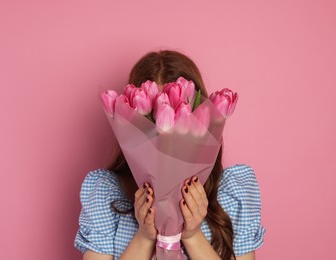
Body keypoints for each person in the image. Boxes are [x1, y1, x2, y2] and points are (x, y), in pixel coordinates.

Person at [74, 50, 266, 260]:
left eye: (180, 113)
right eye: (151, 118)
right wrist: (144, 236)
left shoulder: (234, 191)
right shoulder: (105, 192)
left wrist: (192, 236)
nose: (166, 136)